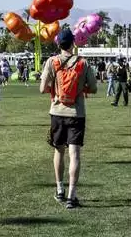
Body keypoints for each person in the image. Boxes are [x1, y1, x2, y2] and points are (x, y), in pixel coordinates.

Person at [39, 27, 98, 209]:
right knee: (75, 154)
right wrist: (80, 90)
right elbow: (94, 88)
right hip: (76, 113)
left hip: (57, 112)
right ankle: (72, 196)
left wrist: (56, 91)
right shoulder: (83, 63)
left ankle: (59, 190)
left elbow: (42, 88)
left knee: (59, 151)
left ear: (58, 43)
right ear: (73, 42)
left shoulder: (52, 61)